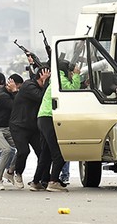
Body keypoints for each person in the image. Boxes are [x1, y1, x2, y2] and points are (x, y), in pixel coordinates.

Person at [33, 61, 81, 192]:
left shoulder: (53, 79)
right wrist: (77, 76)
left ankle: (36, 182)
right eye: (71, 71)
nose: (72, 73)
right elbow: (72, 90)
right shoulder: (60, 78)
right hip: (49, 118)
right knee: (58, 154)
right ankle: (53, 182)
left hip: (42, 117)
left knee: (46, 153)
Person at [9, 66, 46, 189]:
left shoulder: (36, 86)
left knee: (42, 153)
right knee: (24, 151)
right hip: (19, 126)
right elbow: (42, 98)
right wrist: (45, 82)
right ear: (41, 77)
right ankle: (17, 173)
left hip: (33, 127)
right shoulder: (28, 86)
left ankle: (40, 180)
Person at [0, 72, 21, 190]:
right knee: (6, 150)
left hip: (7, 128)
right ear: (12, 84)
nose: (18, 90)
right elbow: (17, 107)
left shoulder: (11, 93)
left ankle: (10, 172)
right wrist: (16, 91)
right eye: (17, 87)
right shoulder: (2, 96)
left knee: (22, 148)